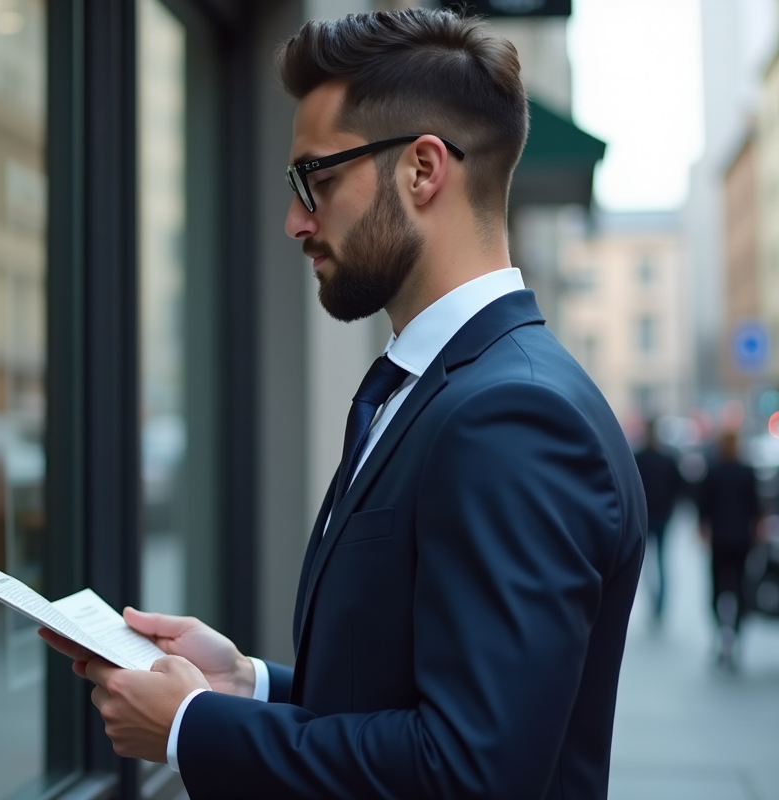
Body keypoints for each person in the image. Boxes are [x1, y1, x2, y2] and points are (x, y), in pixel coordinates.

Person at [41, 9, 646, 798]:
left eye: (315, 178)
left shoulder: (513, 418)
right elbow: (411, 702)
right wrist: (244, 686)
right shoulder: (453, 388)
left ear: (423, 170)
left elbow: (471, 773)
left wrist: (191, 727)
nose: (295, 220)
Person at [698, 429, 762, 670]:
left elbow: (703, 505)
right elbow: (755, 506)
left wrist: (703, 529)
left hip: (719, 539)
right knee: (740, 586)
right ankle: (736, 633)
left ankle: (719, 631)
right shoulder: (747, 472)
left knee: (716, 587)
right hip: (742, 539)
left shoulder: (712, 472)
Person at [634, 418, 686, 624]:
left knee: (649, 564)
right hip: (662, 515)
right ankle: (660, 604)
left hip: (647, 517)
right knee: (662, 562)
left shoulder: (639, 457)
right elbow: (680, 487)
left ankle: (656, 602)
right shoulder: (668, 458)